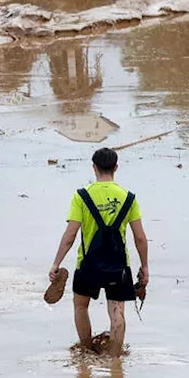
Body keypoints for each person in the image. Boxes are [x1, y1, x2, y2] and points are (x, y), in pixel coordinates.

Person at [49, 148, 149, 357]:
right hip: (118, 265)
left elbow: (70, 235)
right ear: (116, 168)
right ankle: (114, 358)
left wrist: (56, 263)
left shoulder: (81, 196)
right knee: (117, 312)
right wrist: (145, 266)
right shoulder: (128, 198)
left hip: (88, 264)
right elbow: (140, 237)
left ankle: (86, 352)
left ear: (94, 168)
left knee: (80, 307)